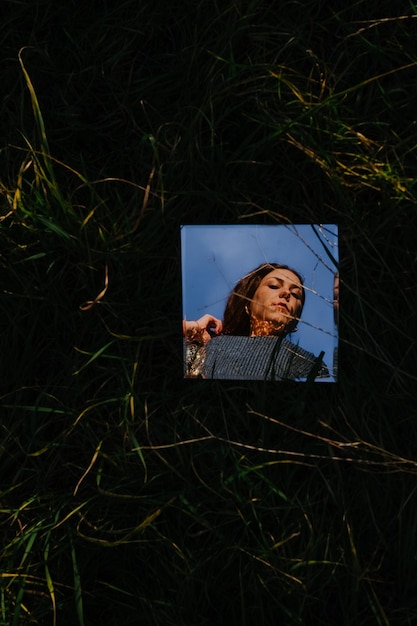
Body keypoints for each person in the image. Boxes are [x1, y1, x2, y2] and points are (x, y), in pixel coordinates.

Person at [183, 263, 328, 381]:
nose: (286, 293)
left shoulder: (309, 363)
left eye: (296, 294)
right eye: (274, 286)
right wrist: (190, 332)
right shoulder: (212, 347)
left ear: (296, 317)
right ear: (248, 303)